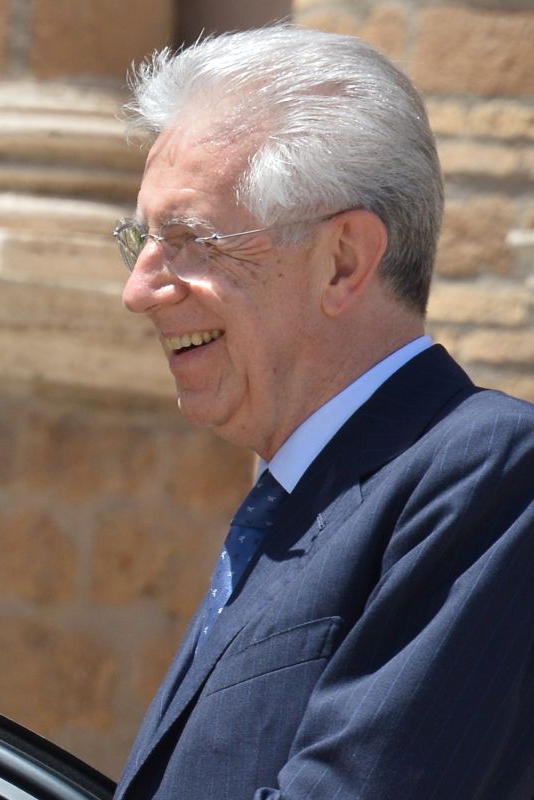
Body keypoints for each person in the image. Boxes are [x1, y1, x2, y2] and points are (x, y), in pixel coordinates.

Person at [112, 25, 534, 800]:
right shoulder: (298, 505)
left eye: (192, 239)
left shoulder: (487, 473)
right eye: (140, 238)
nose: (139, 290)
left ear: (342, 261)